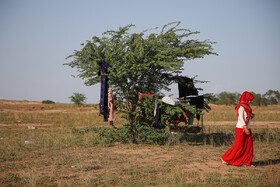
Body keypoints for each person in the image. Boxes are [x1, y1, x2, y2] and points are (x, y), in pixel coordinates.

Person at [221, 91, 255, 167]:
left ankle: (246, 162)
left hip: (247, 128)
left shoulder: (248, 107)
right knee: (238, 145)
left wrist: (251, 116)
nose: (251, 101)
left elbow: (247, 116)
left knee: (248, 145)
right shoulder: (241, 107)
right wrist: (245, 128)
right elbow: (241, 118)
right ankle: (225, 158)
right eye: (250, 100)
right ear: (246, 99)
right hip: (241, 128)